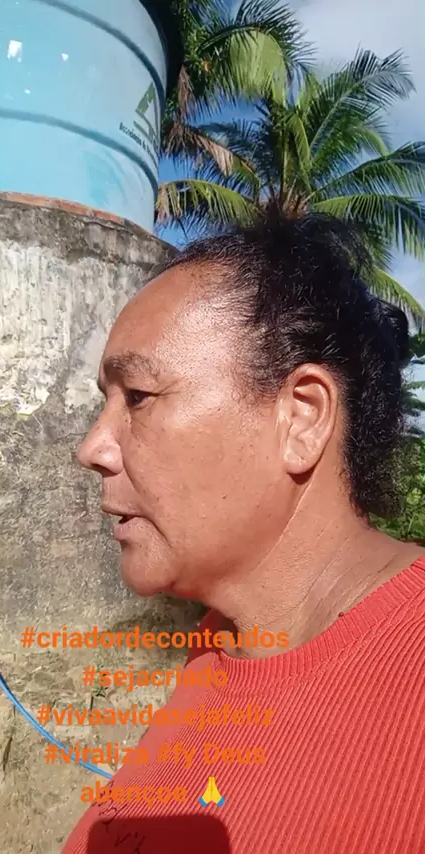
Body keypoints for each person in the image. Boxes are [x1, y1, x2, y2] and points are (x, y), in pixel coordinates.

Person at [63, 213, 425, 854]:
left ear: (301, 418)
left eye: (138, 396)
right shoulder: (220, 646)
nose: (92, 448)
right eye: (105, 401)